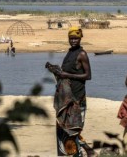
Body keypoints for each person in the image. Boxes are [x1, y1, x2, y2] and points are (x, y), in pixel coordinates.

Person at [46, 26, 96, 157]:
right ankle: (87, 150)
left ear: (80, 39)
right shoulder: (69, 53)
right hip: (66, 98)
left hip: (77, 99)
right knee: (64, 129)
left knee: (72, 131)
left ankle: (81, 152)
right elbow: (65, 72)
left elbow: (88, 76)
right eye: (71, 38)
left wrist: (67, 75)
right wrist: (55, 70)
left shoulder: (82, 54)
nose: (73, 41)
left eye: (76, 38)